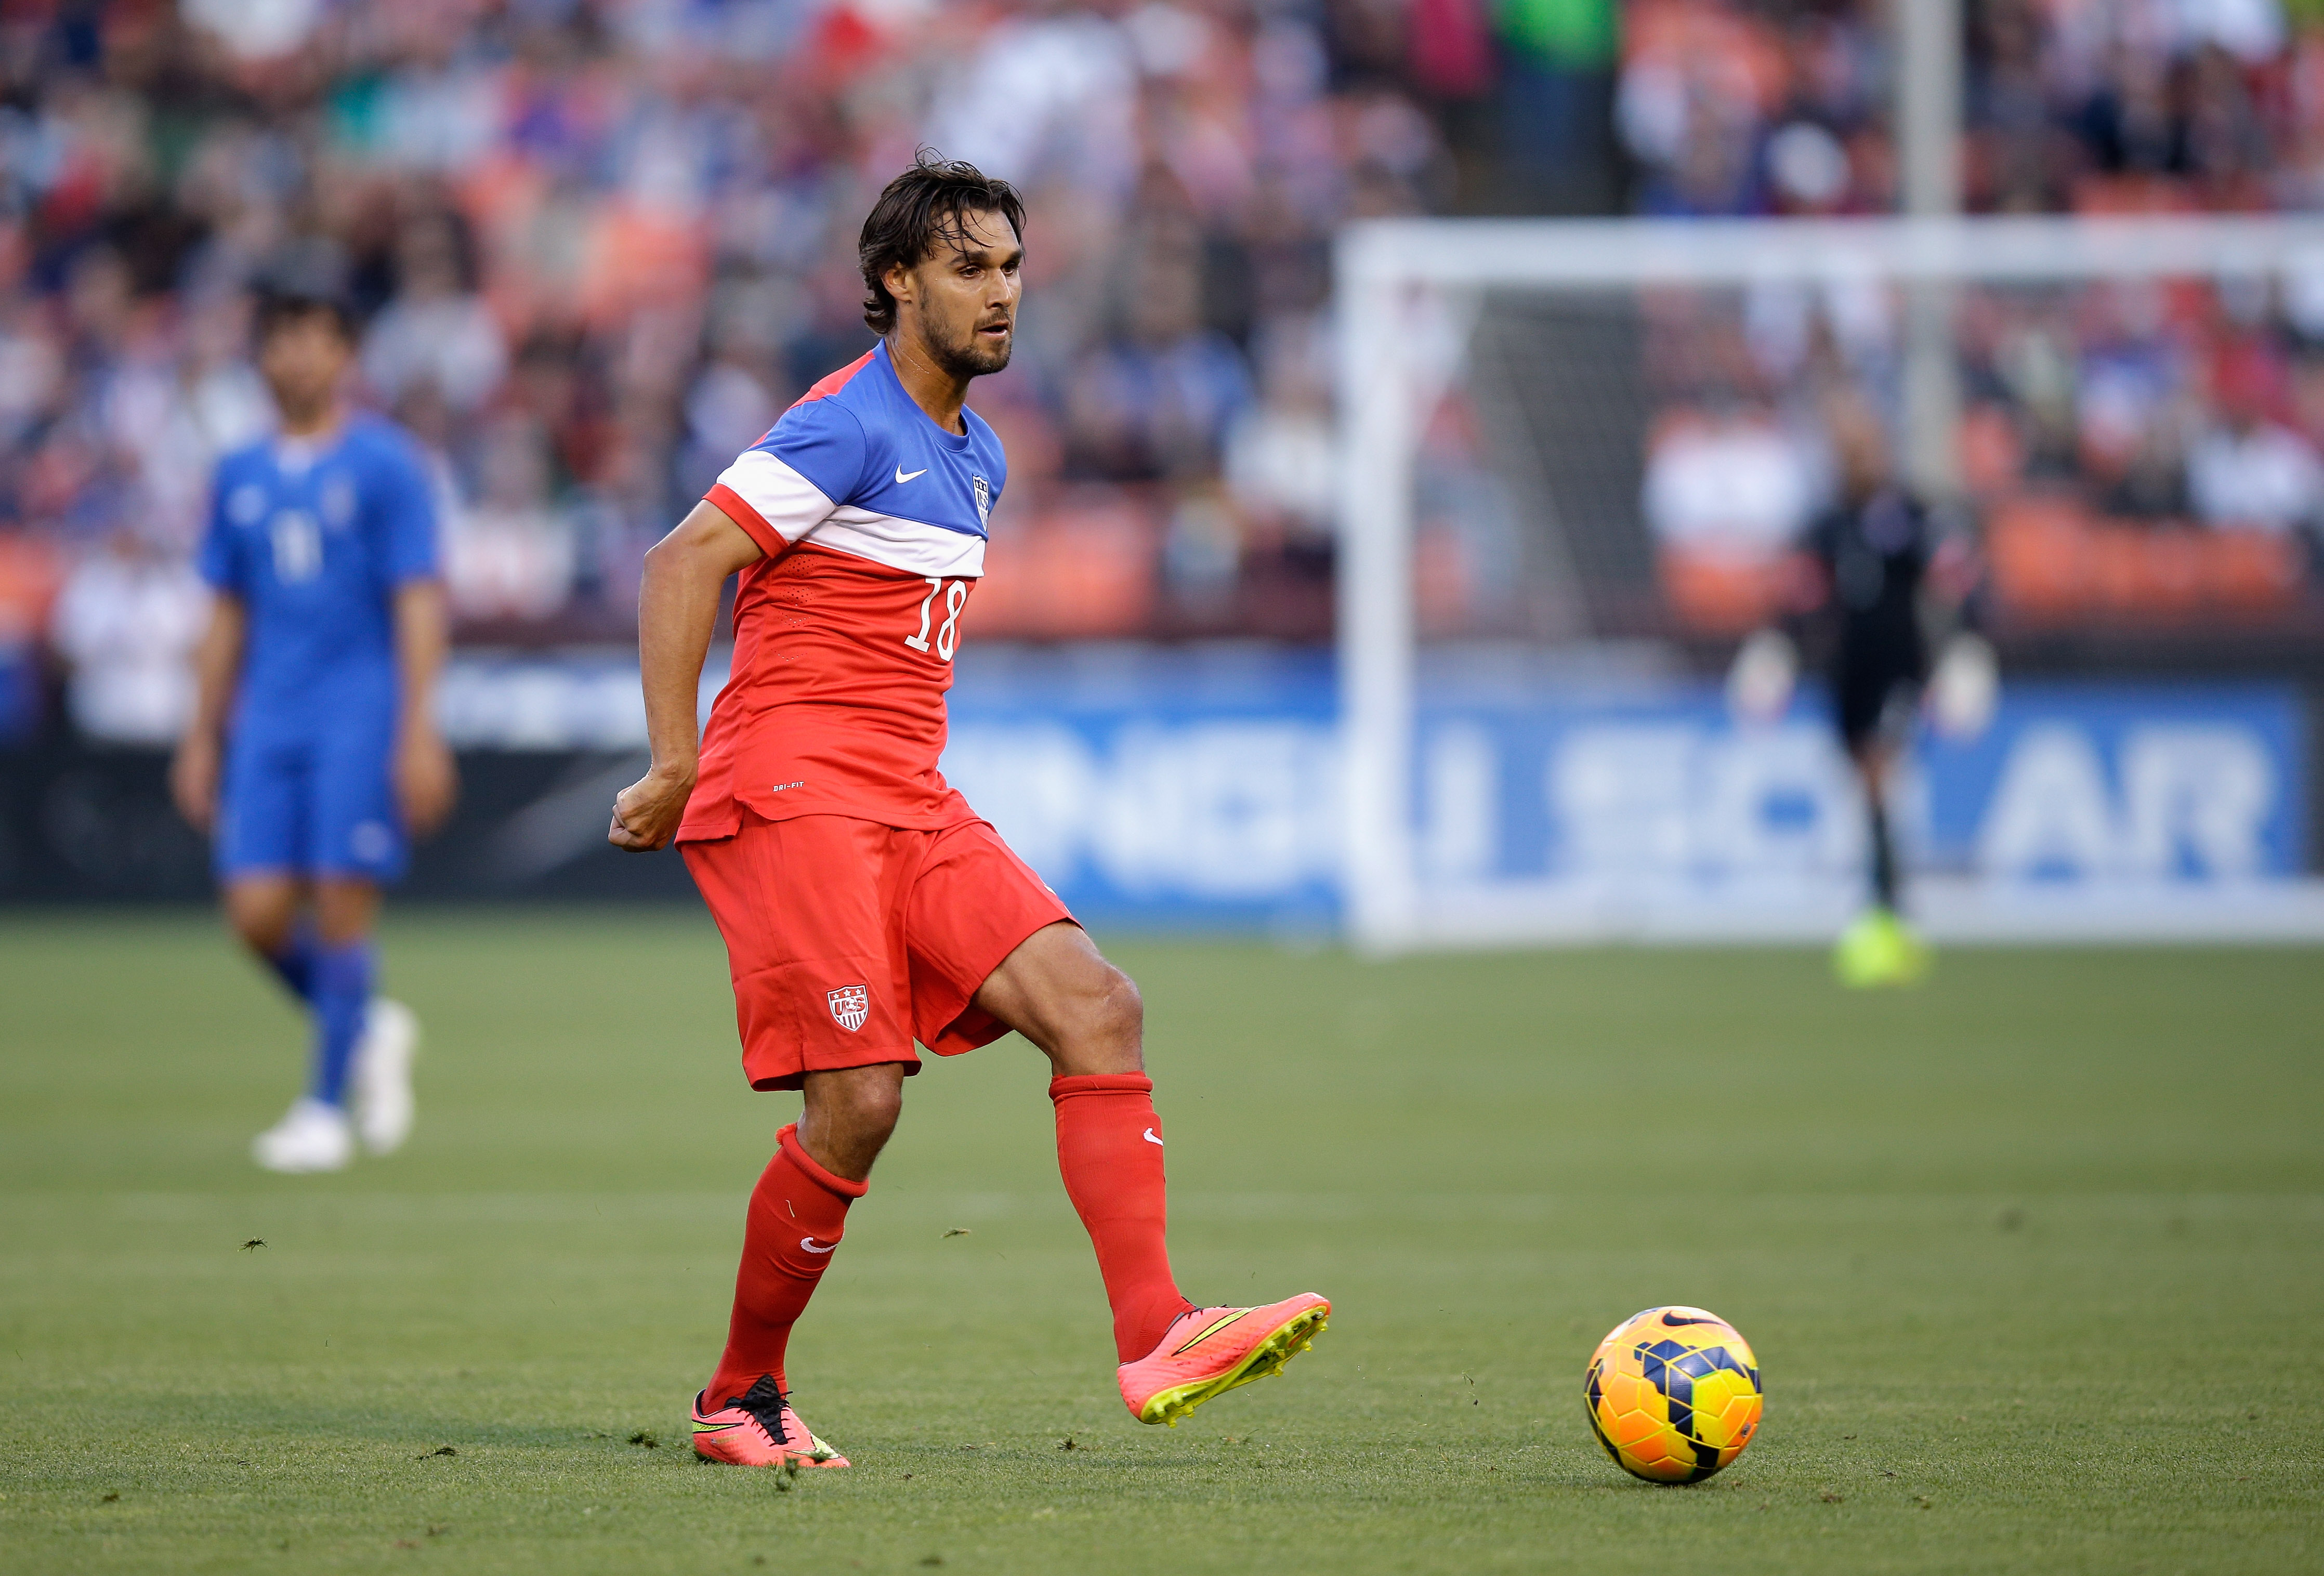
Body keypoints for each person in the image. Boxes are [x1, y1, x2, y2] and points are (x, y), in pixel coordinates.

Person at [608, 155, 1329, 1471]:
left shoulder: (976, 449)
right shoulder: (843, 422)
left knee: (1097, 1005)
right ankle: (738, 1394)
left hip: (907, 794)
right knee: (861, 1105)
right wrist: (672, 759)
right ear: (895, 282)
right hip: (793, 788)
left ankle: (1158, 1328)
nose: (1000, 296)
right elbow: (680, 561)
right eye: (967, 269)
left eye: (1009, 269)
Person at [171, 273, 455, 1172]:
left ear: (345, 353)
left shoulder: (385, 463)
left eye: (316, 335)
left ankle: (323, 1109)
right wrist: (200, 730)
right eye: (282, 335)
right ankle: (367, 1024)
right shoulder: (238, 472)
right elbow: (224, 613)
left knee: (340, 904)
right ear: (260, 353)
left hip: (356, 713)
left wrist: (417, 727)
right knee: (254, 913)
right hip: (267, 716)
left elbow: (418, 600)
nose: (297, 353)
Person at [1729, 399, 1985, 987]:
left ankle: (1885, 918)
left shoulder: (1913, 516)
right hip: (1846, 673)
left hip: (1899, 669)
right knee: (1866, 791)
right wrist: (1775, 652)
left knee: (1877, 777)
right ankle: (1885, 910)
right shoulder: (1826, 524)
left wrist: (1964, 652)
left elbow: (1956, 582)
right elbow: (1797, 598)